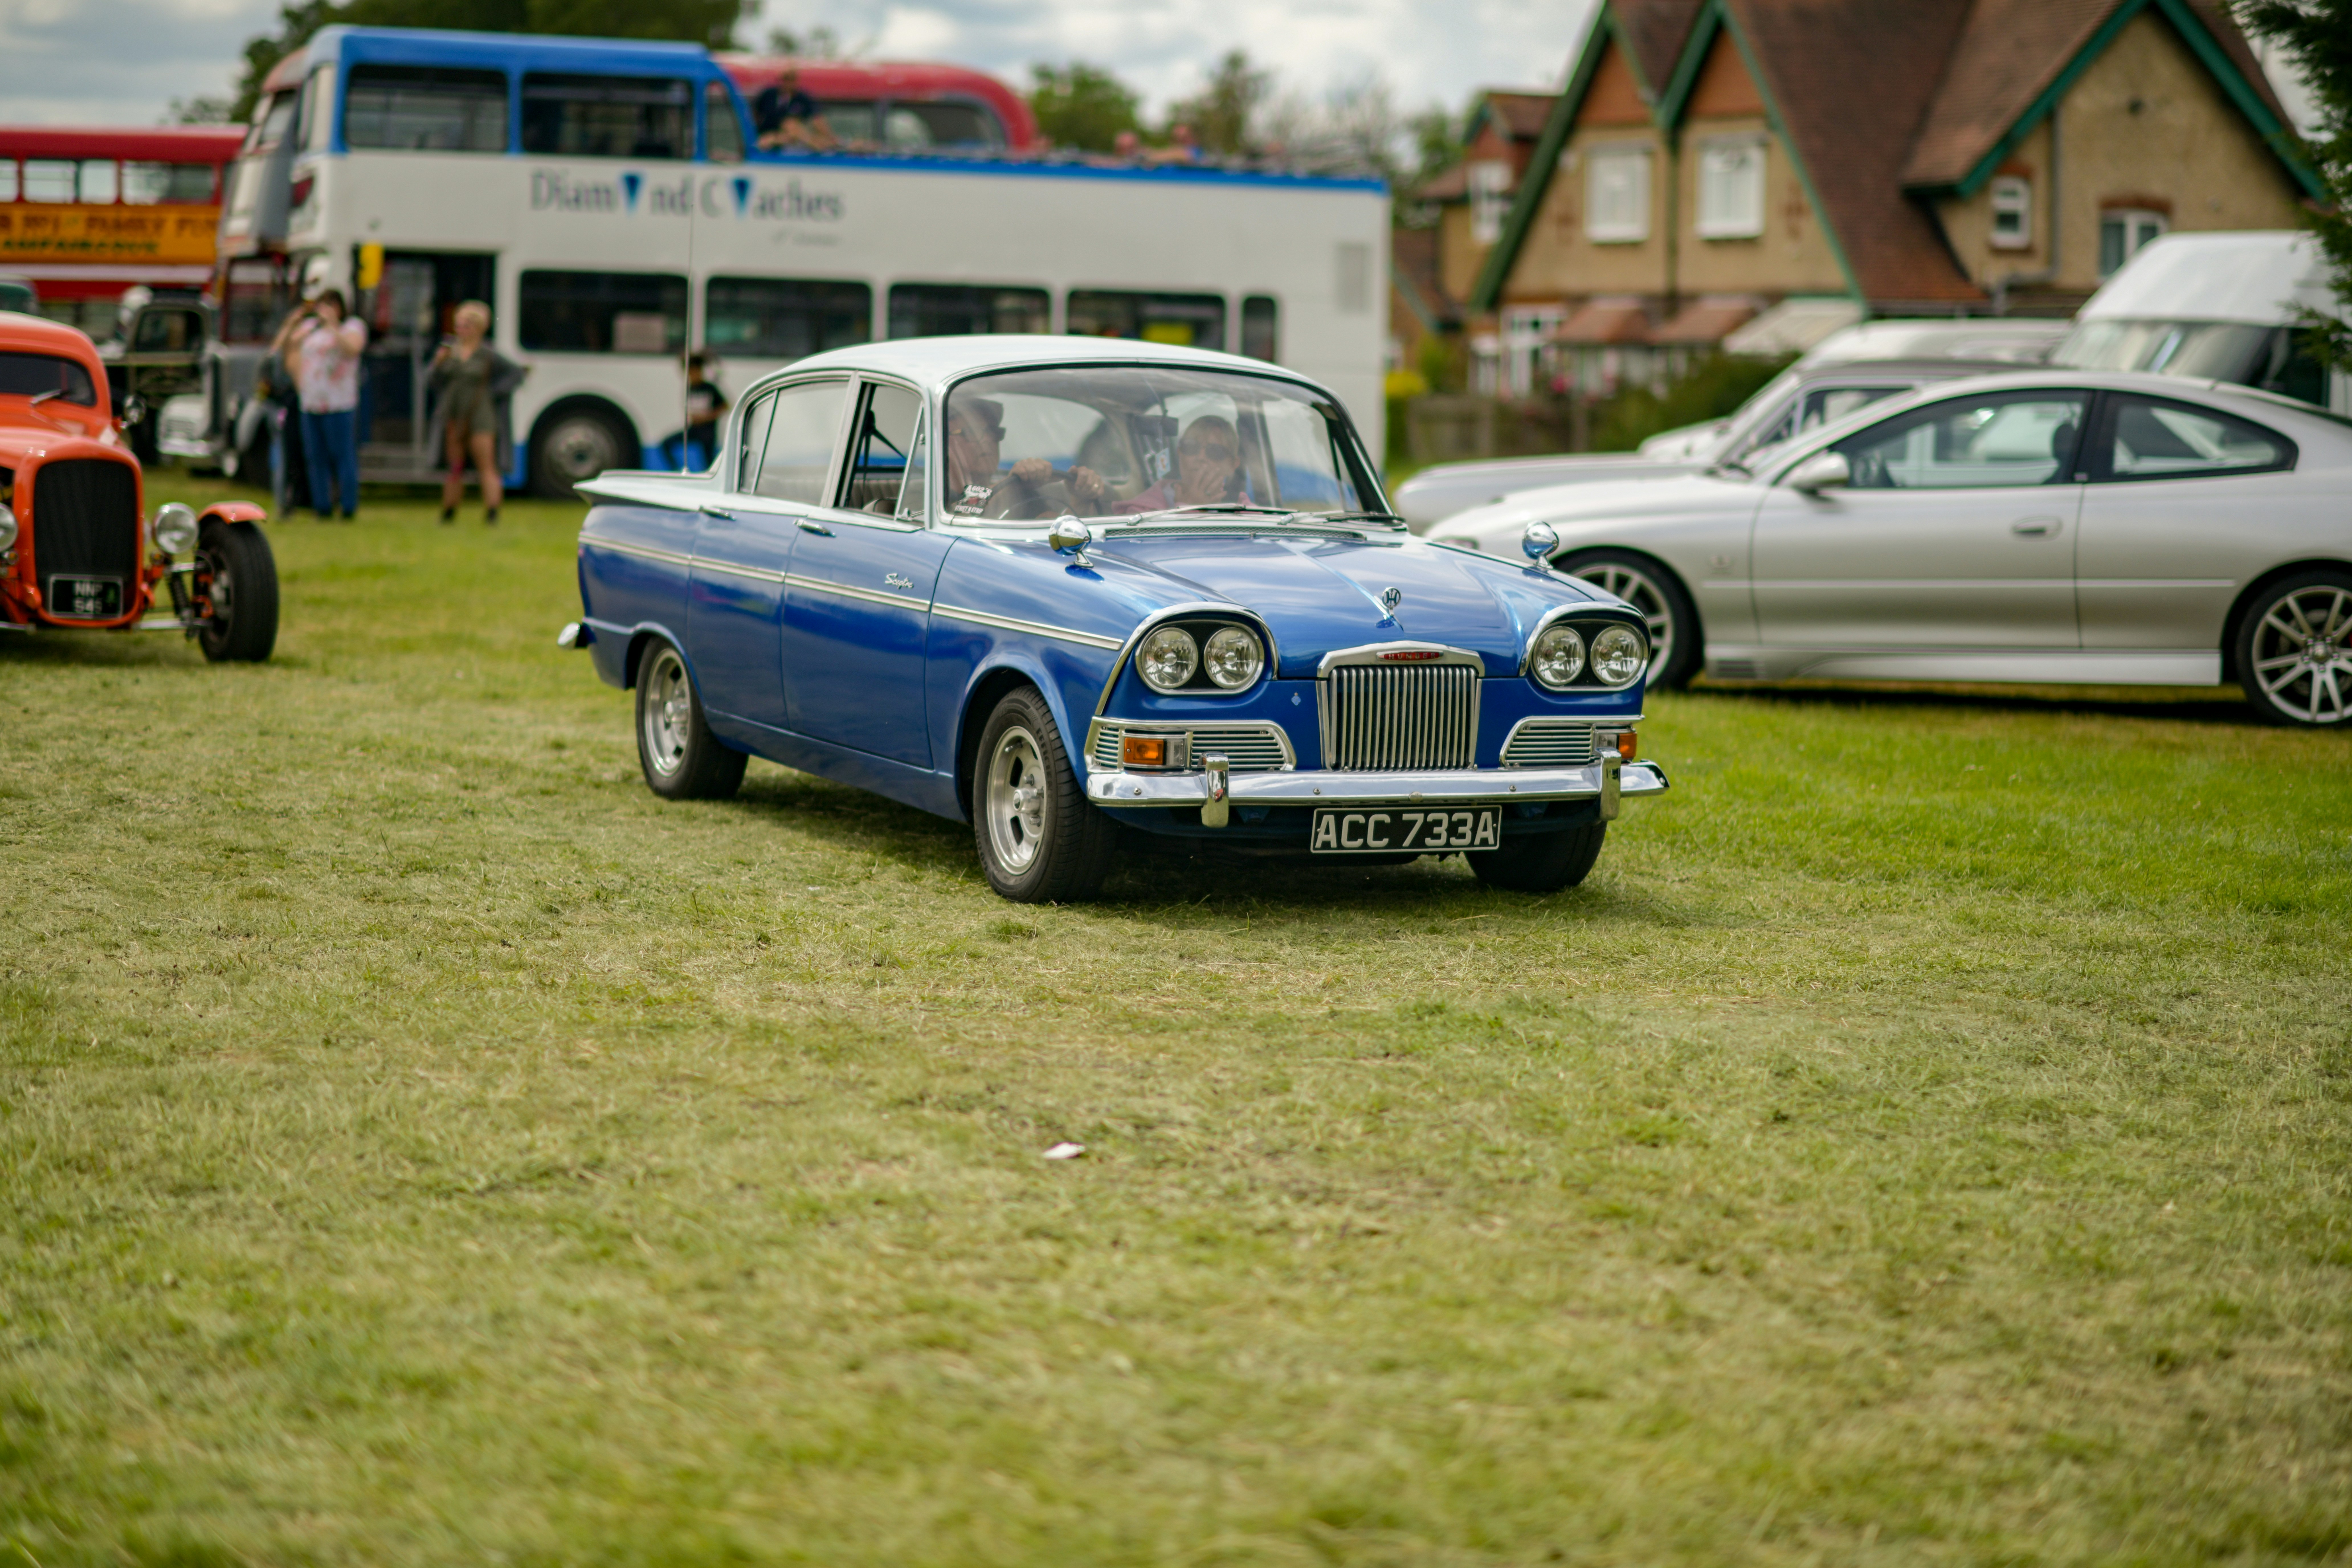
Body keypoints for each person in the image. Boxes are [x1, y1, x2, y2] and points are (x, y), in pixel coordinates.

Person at [427, 300, 526, 524]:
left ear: (478, 328)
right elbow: (433, 381)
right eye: (459, 325)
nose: (460, 330)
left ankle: (492, 512)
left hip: (481, 415)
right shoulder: (450, 352)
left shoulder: (487, 355)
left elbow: (516, 374)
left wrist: (494, 393)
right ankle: (449, 511)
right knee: (455, 467)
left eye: (466, 326)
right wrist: (438, 363)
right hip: (453, 414)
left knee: (486, 465)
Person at [942, 395, 1108, 520]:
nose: (988, 440)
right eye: (971, 432)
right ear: (943, 441)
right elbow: (958, 518)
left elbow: (1060, 542)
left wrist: (1081, 500)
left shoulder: (1026, 497)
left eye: (994, 432)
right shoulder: (923, 494)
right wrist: (1011, 486)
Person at [277, 288, 366, 520]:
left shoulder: (352, 327)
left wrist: (333, 326)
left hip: (339, 403)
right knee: (316, 457)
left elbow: (352, 349)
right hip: (311, 402)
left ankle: (348, 506)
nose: (324, 311)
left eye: (330, 305)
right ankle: (322, 506)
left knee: (342, 455)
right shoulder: (310, 330)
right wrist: (291, 324)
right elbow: (284, 349)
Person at [1116, 413, 1249, 513]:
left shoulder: (1245, 509)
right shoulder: (1143, 510)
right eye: (1191, 447)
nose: (1201, 457)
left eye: (1215, 452)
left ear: (1233, 465)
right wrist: (1190, 508)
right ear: (1179, 452)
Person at [753, 66, 833, 150]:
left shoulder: (803, 99)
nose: (787, 83)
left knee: (791, 124)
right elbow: (755, 115)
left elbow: (817, 119)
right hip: (766, 134)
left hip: (792, 138)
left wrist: (829, 137)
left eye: (791, 80)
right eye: (785, 79)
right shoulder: (768, 95)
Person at [683, 352, 728, 469]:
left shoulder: (709, 388)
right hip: (694, 429)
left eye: (695, 371)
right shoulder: (690, 388)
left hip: (708, 432)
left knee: (708, 462)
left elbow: (725, 406)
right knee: (667, 443)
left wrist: (708, 417)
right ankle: (676, 468)